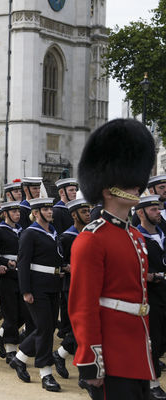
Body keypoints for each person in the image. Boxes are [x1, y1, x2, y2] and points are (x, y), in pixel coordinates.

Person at [69, 118, 156, 400]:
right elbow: (84, 305)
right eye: (129, 183)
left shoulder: (136, 237)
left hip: (137, 350)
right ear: (107, 190)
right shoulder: (92, 239)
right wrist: (91, 359)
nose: (136, 188)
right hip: (112, 354)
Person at [9, 197, 62, 392]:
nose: (51, 212)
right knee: (45, 328)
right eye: (46, 210)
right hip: (37, 288)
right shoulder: (30, 234)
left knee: (45, 328)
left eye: (51, 209)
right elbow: (23, 263)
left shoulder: (52, 233)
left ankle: (19, 358)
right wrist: (26, 291)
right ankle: (45, 372)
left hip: (53, 286)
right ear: (37, 213)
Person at [52, 197, 91, 381]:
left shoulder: (91, 234)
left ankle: (61, 354)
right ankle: (83, 372)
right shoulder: (67, 237)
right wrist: (69, 267)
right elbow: (59, 263)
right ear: (74, 215)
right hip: (72, 287)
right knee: (80, 328)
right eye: (84, 212)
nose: (88, 214)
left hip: (88, 286)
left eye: (88, 211)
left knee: (86, 328)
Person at [0, 201, 33, 365]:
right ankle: (11, 351)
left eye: (18, 212)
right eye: (14, 212)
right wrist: (3, 263)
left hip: (19, 274)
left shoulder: (22, 231)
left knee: (23, 312)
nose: (17, 214)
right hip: (5, 276)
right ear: (5, 214)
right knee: (10, 314)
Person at [134, 195, 166, 400]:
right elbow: (130, 268)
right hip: (149, 296)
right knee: (152, 341)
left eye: (158, 209)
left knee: (162, 341)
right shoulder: (137, 236)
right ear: (140, 213)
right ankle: (152, 383)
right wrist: (148, 276)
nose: (158, 213)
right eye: (153, 209)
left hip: (165, 293)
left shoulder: (163, 233)